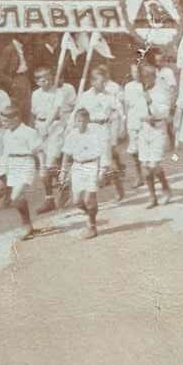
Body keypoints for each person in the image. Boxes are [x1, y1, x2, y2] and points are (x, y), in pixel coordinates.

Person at [0, 105, 43, 238]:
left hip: (26, 164)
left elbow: (39, 151)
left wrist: (43, 168)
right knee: (18, 198)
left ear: (16, 118)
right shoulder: (7, 134)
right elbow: (6, 154)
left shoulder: (29, 132)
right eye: (2, 121)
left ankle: (26, 226)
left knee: (15, 197)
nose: (3, 124)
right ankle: (28, 226)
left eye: (5, 121)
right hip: (13, 166)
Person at [30, 65, 76, 213]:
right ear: (37, 81)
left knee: (50, 165)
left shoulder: (58, 93)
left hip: (55, 128)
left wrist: (47, 126)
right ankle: (49, 197)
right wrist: (37, 129)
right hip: (40, 127)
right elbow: (35, 113)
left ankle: (64, 182)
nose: (47, 81)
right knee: (43, 170)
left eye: (49, 77)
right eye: (43, 79)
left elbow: (56, 111)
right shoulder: (35, 94)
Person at [78, 63, 125, 201]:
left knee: (104, 164)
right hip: (89, 131)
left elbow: (120, 110)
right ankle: (116, 183)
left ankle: (92, 193)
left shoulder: (109, 96)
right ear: (92, 81)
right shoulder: (85, 96)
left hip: (104, 130)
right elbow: (78, 113)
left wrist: (122, 126)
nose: (104, 84)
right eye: (101, 81)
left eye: (105, 81)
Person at [60, 105, 103, 238]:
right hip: (77, 166)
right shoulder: (71, 136)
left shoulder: (94, 135)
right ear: (75, 121)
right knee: (77, 201)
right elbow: (66, 155)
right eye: (79, 121)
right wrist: (63, 171)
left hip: (91, 165)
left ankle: (92, 225)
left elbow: (101, 155)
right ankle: (90, 213)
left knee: (89, 198)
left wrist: (100, 171)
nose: (82, 123)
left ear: (88, 120)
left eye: (84, 120)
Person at [137, 63, 173, 208]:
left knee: (154, 165)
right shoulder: (141, 92)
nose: (145, 80)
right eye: (143, 77)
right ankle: (153, 197)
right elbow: (136, 111)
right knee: (145, 166)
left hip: (158, 129)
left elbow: (165, 112)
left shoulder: (160, 91)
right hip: (145, 130)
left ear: (154, 77)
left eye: (147, 77)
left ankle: (165, 187)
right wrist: (143, 117)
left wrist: (151, 104)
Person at [122, 62, 148, 186]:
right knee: (134, 151)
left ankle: (149, 174)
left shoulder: (146, 85)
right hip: (133, 120)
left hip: (145, 120)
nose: (135, 74)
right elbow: (126, 105)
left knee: (146, 148)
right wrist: (126, 121)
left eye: (137, 72)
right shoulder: (128, 86)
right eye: (133, 72)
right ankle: (139, 176)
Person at [0, 35, 33, 123]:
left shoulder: (23, 47)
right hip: (16, 79)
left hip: (25, 78)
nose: (28, 37)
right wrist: (11, 83)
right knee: (19, 108)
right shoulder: (9, 49)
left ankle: (25, 129)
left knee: (27, 107)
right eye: (26, 35)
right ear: (19, 35)